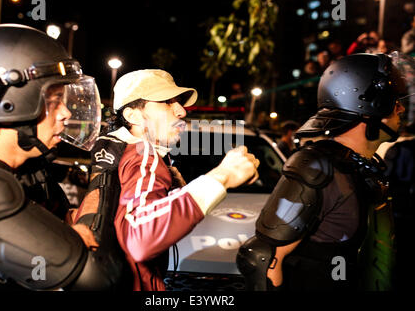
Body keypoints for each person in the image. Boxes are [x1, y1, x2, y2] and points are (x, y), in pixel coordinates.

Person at [72, 69, 260, 291]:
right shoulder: (144, 155)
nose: (181, 111)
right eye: (166, 102)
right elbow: (140, 239)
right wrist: (223, 175)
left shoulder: (115, 153)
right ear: (133, 115)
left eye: (178, 102)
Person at [237, 53, 409, 291]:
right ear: (370, 106)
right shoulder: (317, 166)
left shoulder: (367, 167)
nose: (400, 108)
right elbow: (261, 257)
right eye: (392, 100)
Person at [0, 24, 116, 291]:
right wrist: (103, 177)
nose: (66, 113)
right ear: (12, 103)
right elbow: (98, 278)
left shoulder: (32, 170)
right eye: (55, 100)